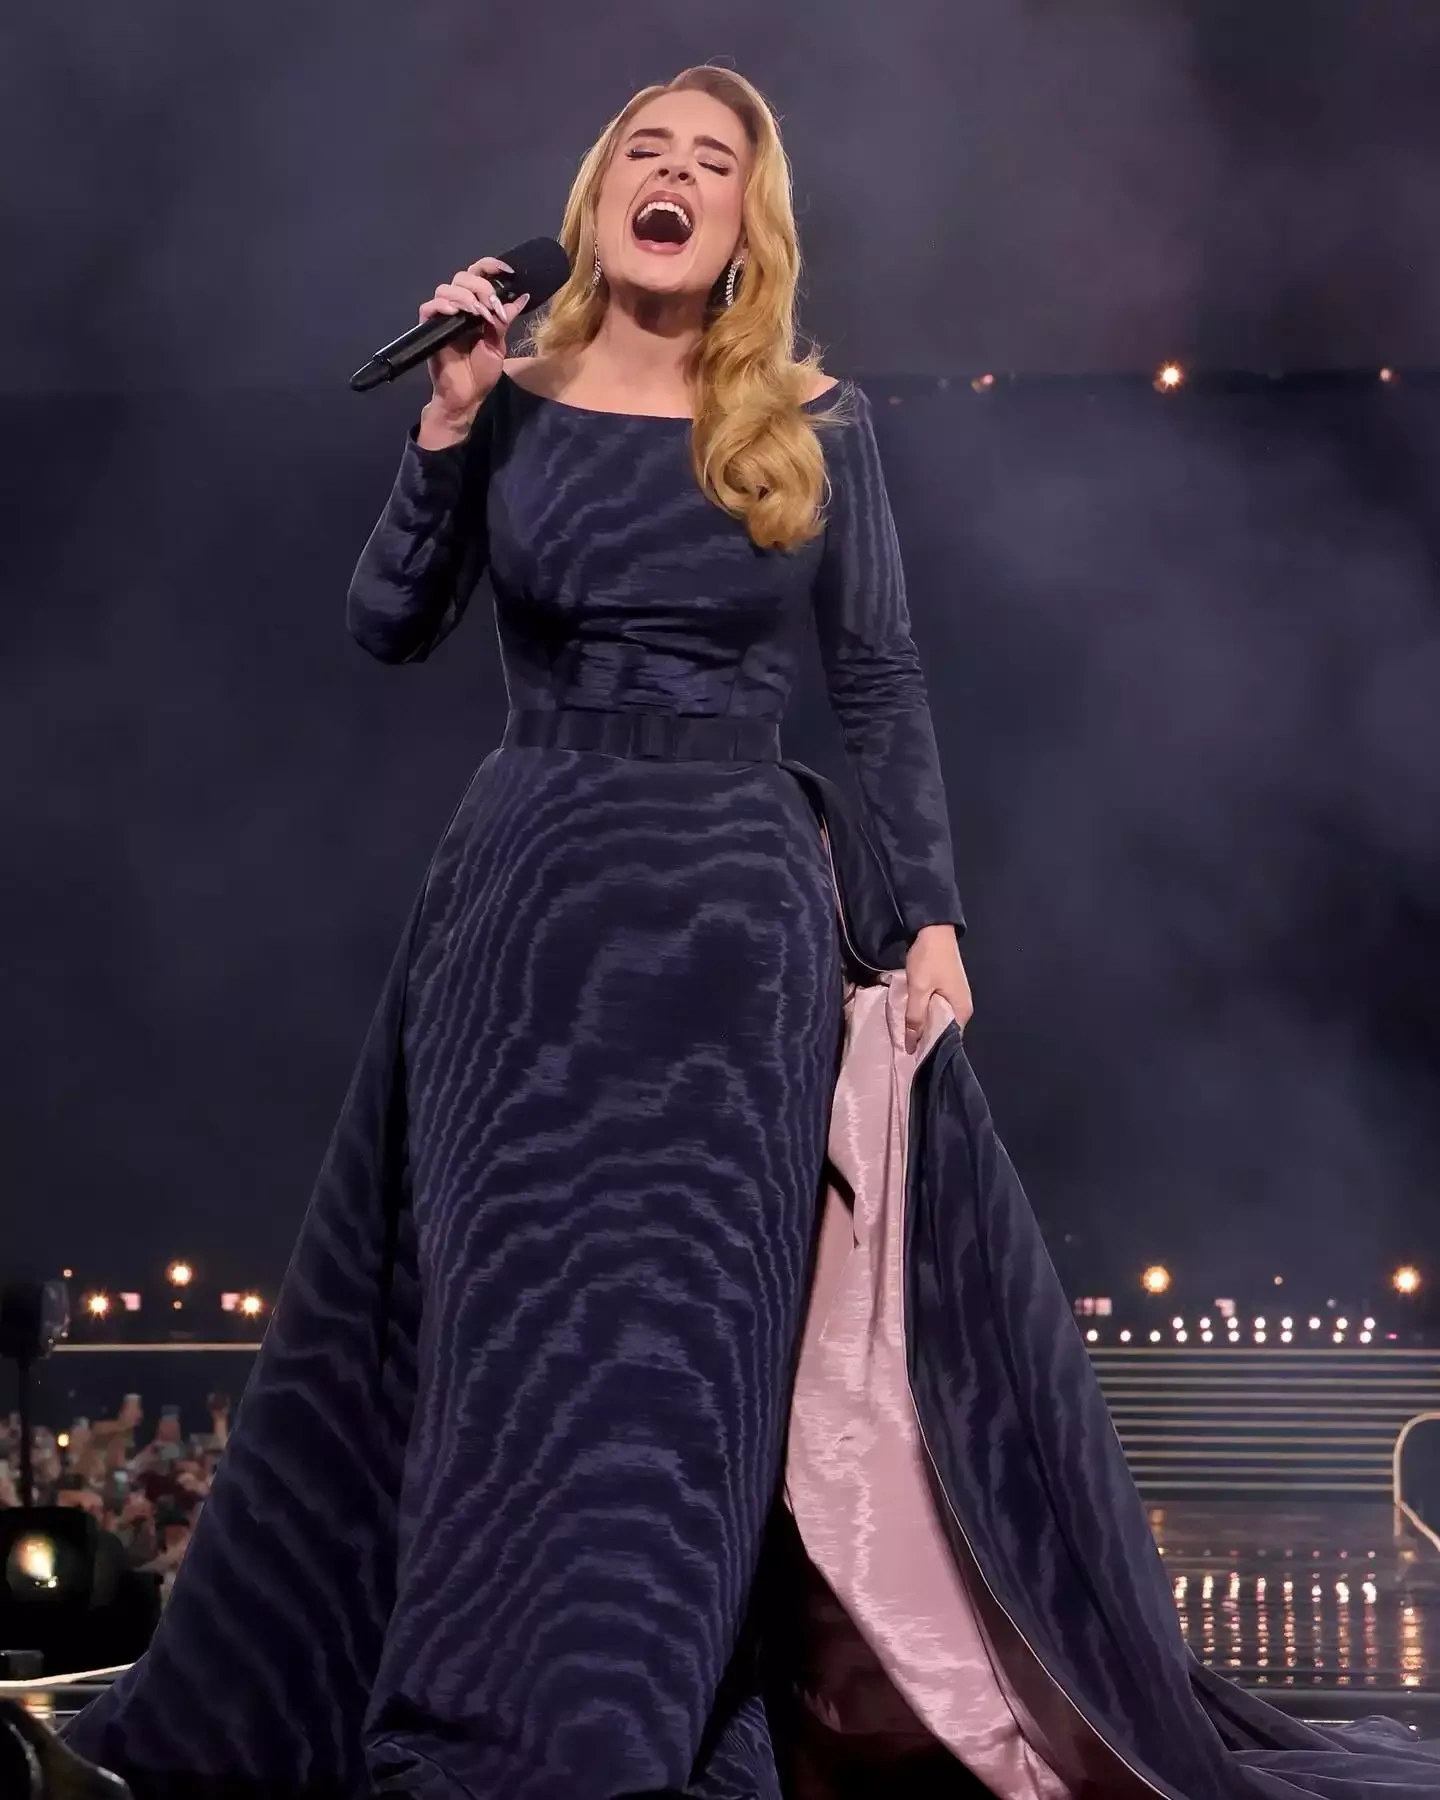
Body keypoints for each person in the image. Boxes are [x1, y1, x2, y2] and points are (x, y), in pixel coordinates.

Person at [54, 61, 1440, 1800]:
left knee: (692, 1346)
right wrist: (446, 424)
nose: (675, 173)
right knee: (513, 1329)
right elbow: (388, 624)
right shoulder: (508, 395)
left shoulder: (814, 419)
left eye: (712, 161)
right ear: (597, 197)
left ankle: (658, 1718)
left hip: (735, 932)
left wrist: (931, 918)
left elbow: (881, 678)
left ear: (743, 225)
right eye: (646, 148)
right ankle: (493, 1714)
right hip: (527, 912)